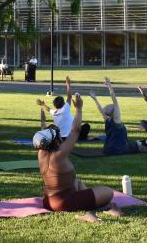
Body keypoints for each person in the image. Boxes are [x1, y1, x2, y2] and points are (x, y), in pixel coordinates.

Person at [34, 93, 122, 223]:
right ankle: (91, 212)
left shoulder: (41, 152)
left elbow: (43, 130)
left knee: (77, 182)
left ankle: (97, 208)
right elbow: (75, 130)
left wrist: (42, 116)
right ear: (56, 141)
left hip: (47, 200)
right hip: (62, 202)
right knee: (109, 192)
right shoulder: (59, 154)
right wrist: (79, 109)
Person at [90, 77, 145, 155]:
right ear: (113, 111)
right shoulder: (116, 120)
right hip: (119, 150)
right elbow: (114, 100)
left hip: (107, 149)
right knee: (143, 142)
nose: (112, 105)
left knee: (134, 143)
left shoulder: (107, 120)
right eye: (111, 106)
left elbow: (101, 110)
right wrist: (109, 85)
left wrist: (95, 99)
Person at [36, 76, 90, 140]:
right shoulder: (65, 108)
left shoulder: (55, 113)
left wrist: (43, 104)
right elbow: (69, 96)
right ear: (64, 103)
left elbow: (49, 109)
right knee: (86, 126)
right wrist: (68, 84)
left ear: (55, 106)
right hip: (70, 137)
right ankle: (80, 138)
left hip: (61, 138)